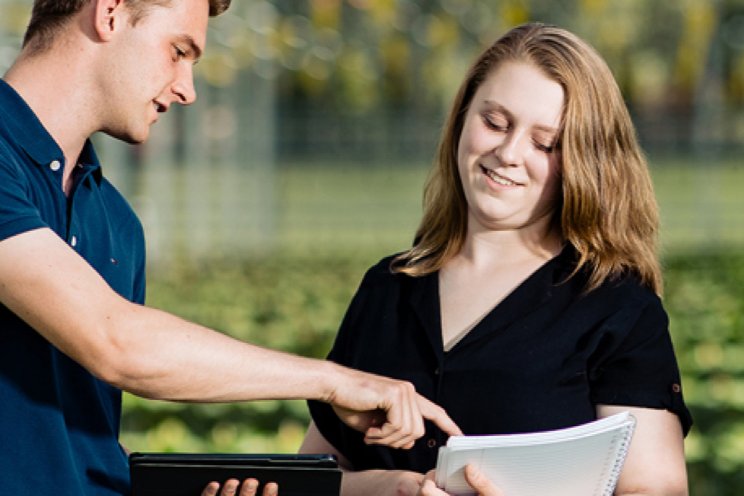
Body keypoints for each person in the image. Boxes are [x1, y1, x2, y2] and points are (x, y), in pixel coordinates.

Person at [0, 1, 462, 495]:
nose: (187, 89)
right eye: (179, 51)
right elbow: (116, 343)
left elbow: (80, 445)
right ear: (109, 12)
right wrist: (334, 382)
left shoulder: (116, 224)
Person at [300, 22, 693, 496]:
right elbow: (319, 474)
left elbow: (656, 490)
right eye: (495, 122)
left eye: (545, 144)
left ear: (584, 162)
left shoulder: (616, 308)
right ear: (462, 117)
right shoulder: (387, 287)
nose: (508, 153)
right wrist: (391, 486)